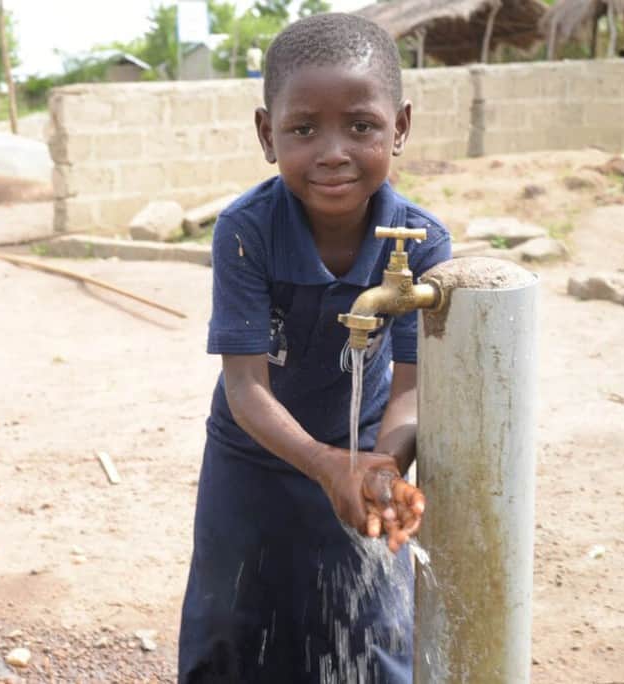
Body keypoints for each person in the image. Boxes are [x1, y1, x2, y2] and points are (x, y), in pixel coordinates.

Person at [178, 13, 452, 683]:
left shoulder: (419, 242)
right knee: (232, 629)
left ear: (401, 127)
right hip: (253, 463)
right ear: (268, 135)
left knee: (373, 631)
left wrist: (382, 468)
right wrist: (325, 463)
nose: (333, 151)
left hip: (365, 452)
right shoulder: (248, 231)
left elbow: (412, 386)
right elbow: (245, 387)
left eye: (361, 126)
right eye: (304, 129)